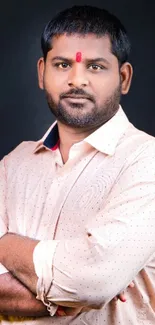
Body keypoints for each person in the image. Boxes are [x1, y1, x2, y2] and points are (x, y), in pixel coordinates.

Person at [0, 4, 155, 325]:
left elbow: (92, 281)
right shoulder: (12, 165)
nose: (76, 80)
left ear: (123, 78)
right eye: (62, 64)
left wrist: (4, 245)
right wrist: (69, 293)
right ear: (42, 72)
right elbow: (88, 286)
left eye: (95, 67)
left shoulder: (147, 160)